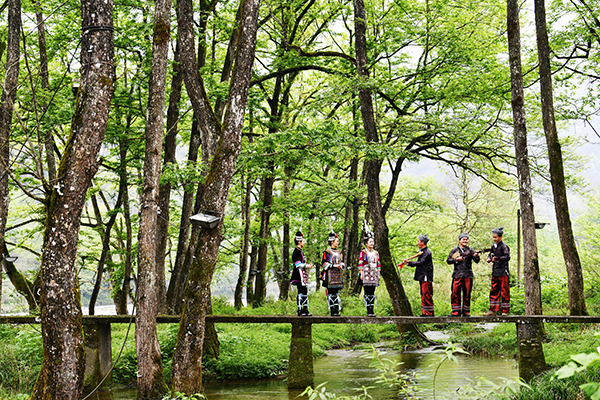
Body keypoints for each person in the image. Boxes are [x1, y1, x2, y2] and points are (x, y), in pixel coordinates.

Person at [446, 232, 480, 317]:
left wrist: (476, 256)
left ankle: (466, 312)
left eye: (467, 239)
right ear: (459, 240)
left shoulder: (470, 250)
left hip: (468, 275)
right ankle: (455, 312)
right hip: (457, 274)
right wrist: (456, 260)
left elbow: (476, 261)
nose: (465, 241)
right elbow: (448, 260)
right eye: (463, 239)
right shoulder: (454, 250)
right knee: (455, 293)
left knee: (467, 293)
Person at [403, 234, 434, 316]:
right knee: (423, 294)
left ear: (423, 242)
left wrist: (410, 263)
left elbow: (421, 263)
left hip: (426, 276)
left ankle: (429, 312)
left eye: (418, 241)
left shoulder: (427, 252)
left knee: (427, 293)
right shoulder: (422, 252)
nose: (417, 243)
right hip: (422, 276)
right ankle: (425, 312)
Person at [483, 227, 511, 316]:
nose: (494, 239)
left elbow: (507, 257)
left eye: (495, 237)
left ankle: (505, 311)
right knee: (494, 291)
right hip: (495, 272)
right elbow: (490, 254)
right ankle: (493, 310)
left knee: (504, 291)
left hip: (503, 272)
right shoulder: (493, 247)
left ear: (500, 237)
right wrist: (489, 259)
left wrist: (498, 258)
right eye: (493, 237)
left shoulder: (504, 246)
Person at [358, 224, 381, 317]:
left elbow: (378, 263)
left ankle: (372, 310)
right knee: (367, 291)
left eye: (373, 241)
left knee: (372, 291)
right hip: (366, 273)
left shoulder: (376, 253)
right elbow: (360, 263)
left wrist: (378, 274)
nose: (372, 243)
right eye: (370, 242)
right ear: (366, 243)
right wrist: (361, 273)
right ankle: (369, 310)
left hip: (374, 273)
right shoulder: (363, 252)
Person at [321, 230, 344, 316]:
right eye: (337, 241)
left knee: (336, 293)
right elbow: (324, 263)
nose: (338, 243)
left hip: (337, 276)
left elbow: (342, 261)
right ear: (332, 242)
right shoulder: (327, 252)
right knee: (331, 292)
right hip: (329, 276)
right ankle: (332, 310)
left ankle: (337, 310)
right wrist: (333, 266)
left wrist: (341, 265)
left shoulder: (339, 252)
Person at [290, 230, 313, 316]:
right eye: (303, 241)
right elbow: (297, 264)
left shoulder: (300, 251)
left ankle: (305, 309)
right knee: (300, 292)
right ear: (299, 241)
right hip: (298, 275)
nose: (304, 243)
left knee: (304, 291)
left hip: (302, 275)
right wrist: (307, 266)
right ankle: (300, 310)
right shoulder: (296, 252)